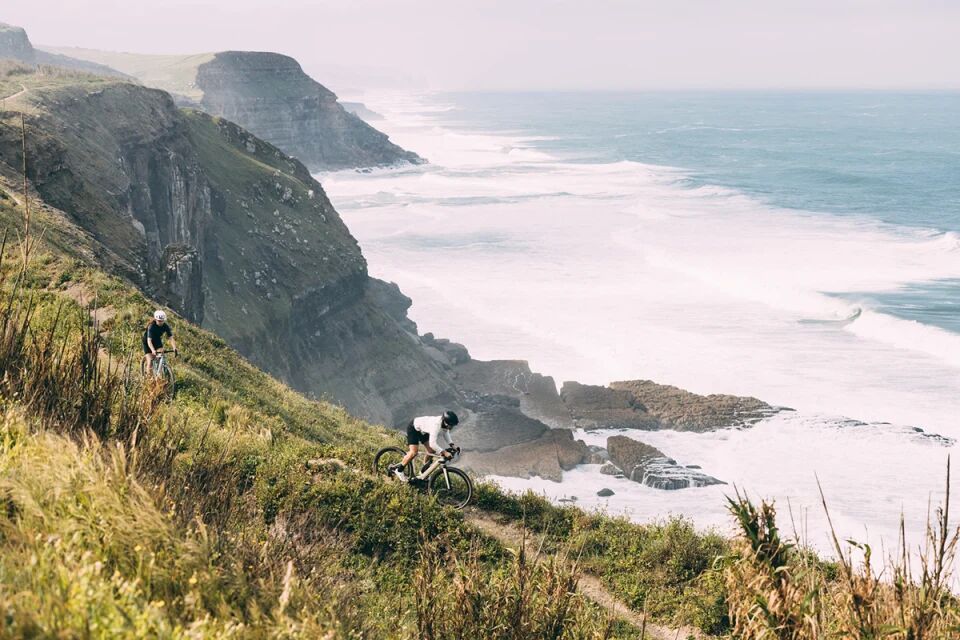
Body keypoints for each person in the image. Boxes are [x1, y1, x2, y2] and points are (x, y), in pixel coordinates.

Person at [389, 410, 460, 482]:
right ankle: (399, 470)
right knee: (414, 452)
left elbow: (446, 433)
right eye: (452, 425)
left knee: (431, 451)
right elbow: (432, 444)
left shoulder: (444, 423)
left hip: (423, 431)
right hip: (414, 428)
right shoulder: (436, 425)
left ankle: (423, 472)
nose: (452, 427)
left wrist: (452, 445)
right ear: (447, 423)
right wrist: (444, 452)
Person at [142, 309, 177, 375]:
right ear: (155, 319)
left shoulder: (165, 326)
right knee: (150, 361)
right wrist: (153, 350)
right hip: (147, 342)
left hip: (157, 340)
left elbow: (171, 338)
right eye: (159, 321)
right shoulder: (151, 327)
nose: (161, 322)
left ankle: (160, 372)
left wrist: (174, 348)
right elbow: (149, 341)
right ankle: (148, 378)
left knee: (161, 354)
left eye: (162, 321)